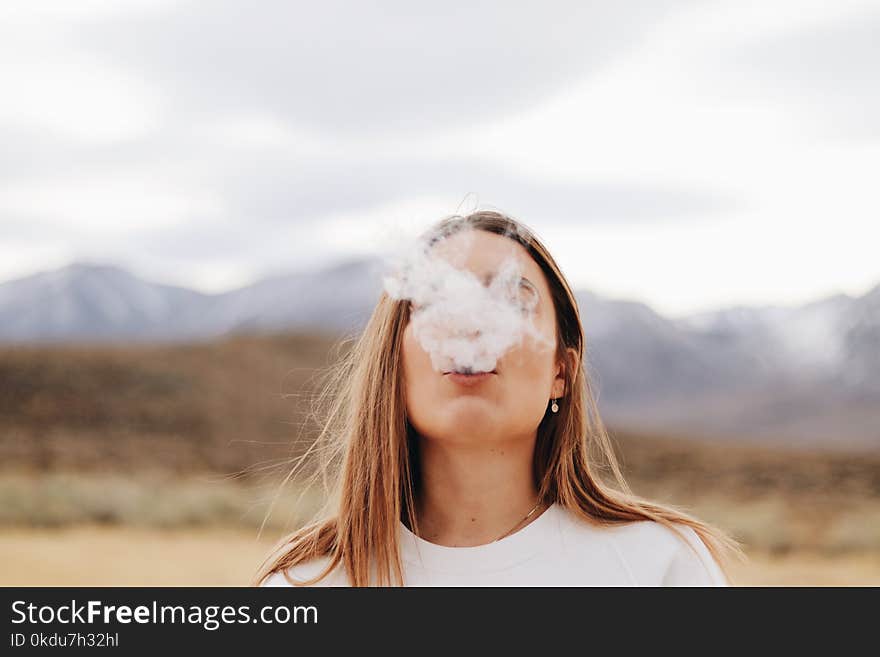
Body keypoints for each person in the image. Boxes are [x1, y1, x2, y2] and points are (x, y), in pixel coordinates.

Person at [253, 210, 746, 586]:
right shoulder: (308, 585)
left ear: (561, 371)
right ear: (391, 363)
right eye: (437, 299)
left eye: (511, 299)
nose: (471, 322)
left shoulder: (658, 567)